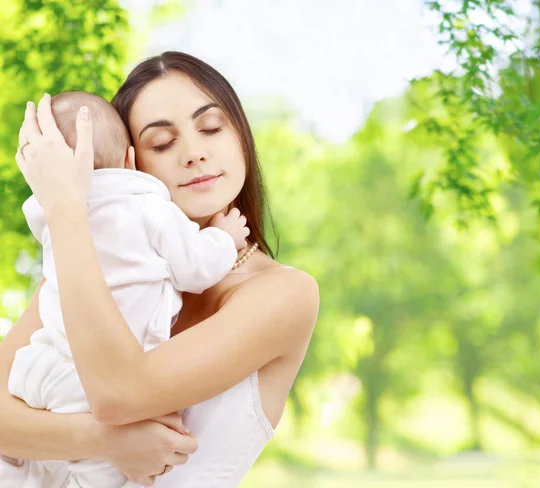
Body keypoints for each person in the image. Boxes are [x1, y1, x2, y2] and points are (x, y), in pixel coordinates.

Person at [0, 51, 319, 487]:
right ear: (127, 164)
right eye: (162, 143)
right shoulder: (84, 267)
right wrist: (101, 442)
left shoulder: (284, 294)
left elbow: (118, 395)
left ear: (241, 136)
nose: (193, 154)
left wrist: (67, 210)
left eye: (210, 128)